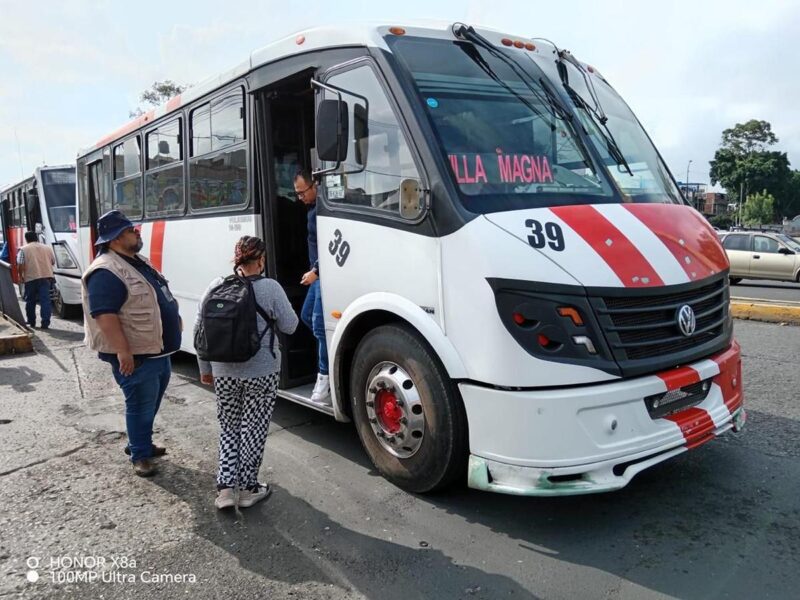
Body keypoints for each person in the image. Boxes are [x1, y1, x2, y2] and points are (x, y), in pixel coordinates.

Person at [196, 236, 298, 509]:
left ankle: (226, 490)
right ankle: (249, 488)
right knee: (254, 428)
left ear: (237, 257)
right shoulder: (271, 288)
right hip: (261, 371)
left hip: (223, 371)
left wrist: (205, 369)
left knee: (229, 427)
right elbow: (290, 326)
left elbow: (200, 330)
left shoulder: (216, 286)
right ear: (261, 260)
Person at [81, 210, 182, 477]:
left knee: (151, 403)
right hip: (137, 355)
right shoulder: (105, 271)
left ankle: (141, 442)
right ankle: (139, 454)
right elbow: (104, 314)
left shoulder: (137, 261)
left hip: (157, 351)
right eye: (129, 231)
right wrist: (123, 351)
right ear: (114, 239)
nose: (136, 234)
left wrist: (175, 316)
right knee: (139, 404)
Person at [294, 169, 329, 403]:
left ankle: (324, 377)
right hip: (317, 273)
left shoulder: (325, 210)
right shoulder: (312, 209)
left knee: (319, 326)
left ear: (314, 184)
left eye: (302, 192)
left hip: (323, 274)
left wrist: (315, 271)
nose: (299, 197)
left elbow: (328, 242)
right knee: (307, 315)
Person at [16, 231, 55, 329]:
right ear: (36, 238)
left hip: (30, 278)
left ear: (26, 239)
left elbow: (20, 264)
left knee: (30, 301)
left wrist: (20, 276)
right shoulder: (47, 248)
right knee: (45, 300)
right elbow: (53, 261)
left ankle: (31, 321)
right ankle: (45, 322)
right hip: (46, 277)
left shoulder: (23, 249)